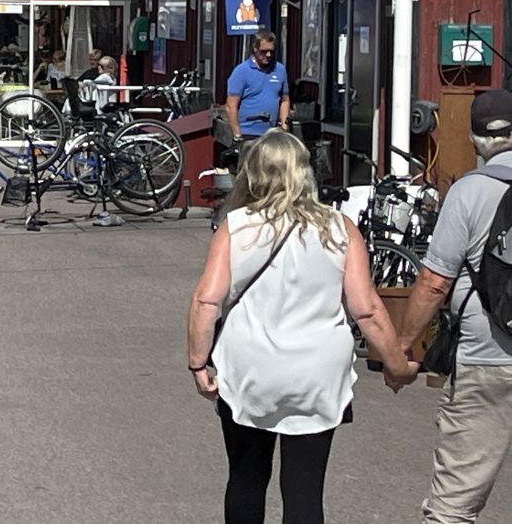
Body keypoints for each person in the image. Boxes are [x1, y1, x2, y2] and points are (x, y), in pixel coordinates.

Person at [187, 130, 416, 523]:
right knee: (305, 488)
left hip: (250, 369)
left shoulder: (237, 225)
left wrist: (197, 363)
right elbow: (366, 309)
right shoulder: (340, 227)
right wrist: (397, 364)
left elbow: (207, 300)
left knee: (246, 477)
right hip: (316, 374)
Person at [393, 89, 512, 523]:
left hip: (485, 357)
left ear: (477, 139)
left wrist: (404, 349)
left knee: (453, 506)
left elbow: (433, 283)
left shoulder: (468, 192)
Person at [226, 30, 290, 141]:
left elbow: (285, 100)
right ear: (255, 49)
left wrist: (284, 126)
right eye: (264, 51)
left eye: (271, 51)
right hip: (248, 133)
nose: (268, 55)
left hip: (272, 133)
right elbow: (231, 106)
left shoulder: (279, 69)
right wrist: (237, 135)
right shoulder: (241, 71)